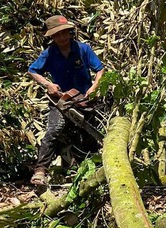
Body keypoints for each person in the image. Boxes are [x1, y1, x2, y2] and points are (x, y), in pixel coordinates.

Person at [28, 15, 105, 186]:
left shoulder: (83, 49)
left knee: (89, 132)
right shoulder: (49, 54)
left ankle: (94, 169)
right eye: (57, 35)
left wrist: (95, 86)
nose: (62, 38)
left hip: (84, 99)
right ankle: (40, 171)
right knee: (54, 129)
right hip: (60, 99)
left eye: (65, 33)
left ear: (69, 32)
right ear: (52, 37)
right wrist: (47, 84)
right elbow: (32, 70)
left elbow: (100, 69)